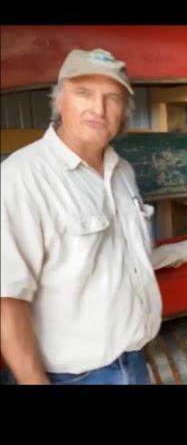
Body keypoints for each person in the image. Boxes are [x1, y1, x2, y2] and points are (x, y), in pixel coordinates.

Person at [1, 48, 162, 384]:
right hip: (74, 377)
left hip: (133, 362)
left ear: (123, 112)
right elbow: (7, 299)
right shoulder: (21, 177)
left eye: (112, 98)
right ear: (59, 101)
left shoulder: (123, 173)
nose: (98, 109)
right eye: (83, 93)